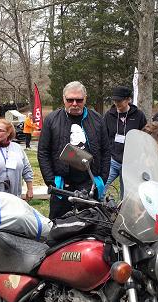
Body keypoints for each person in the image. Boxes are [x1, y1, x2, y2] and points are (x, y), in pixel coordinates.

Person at [38, 81, 110, 219]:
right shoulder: (52, 120)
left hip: (90, 183)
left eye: (79, 100)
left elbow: (106, 151)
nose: (75, 103)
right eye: (70, 100)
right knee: (58, 224)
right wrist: (51, 181)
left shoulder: (97, 119)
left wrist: (101, 179)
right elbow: (43, 152)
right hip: (62, 184)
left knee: (91, 225)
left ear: (85, 99)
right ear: (64, 99)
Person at [103, 86, 147, 193]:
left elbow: (144, 136)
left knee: (126, 195)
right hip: (113, 160)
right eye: (115, 100)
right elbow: (104, 136)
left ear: (128, 100)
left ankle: (121, 210)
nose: (117, 103)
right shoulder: (109, 115)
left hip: (130, 163)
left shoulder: (138, 115)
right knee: (100, 188)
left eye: (119, 100)